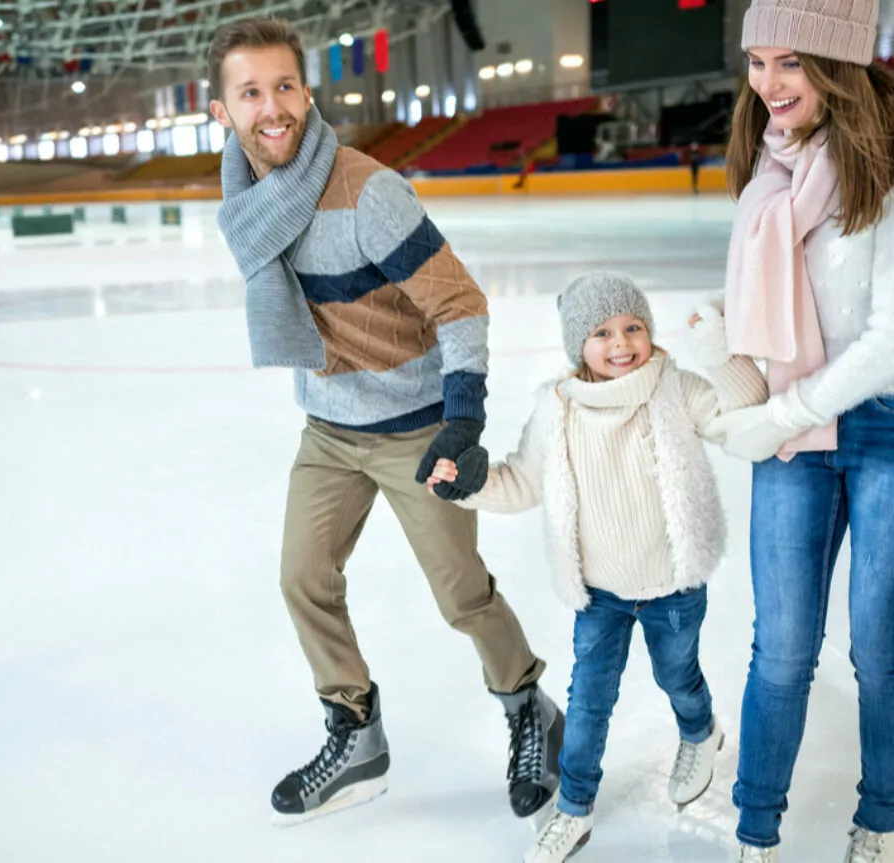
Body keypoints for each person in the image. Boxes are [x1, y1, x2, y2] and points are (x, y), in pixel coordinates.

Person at [206, 17, 563, 826]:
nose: (273, 107)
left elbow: (460, 302)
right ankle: (356, 731)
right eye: (251, 92)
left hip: (412, 425)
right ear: (222, 110)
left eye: (285, 86)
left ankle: (529, 712)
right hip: (329, 430)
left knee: (461, 595)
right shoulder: (249, 200)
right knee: (303, 576)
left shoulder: (368, 193)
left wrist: (462, 419)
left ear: (307, 91)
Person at [429, 273, 769, 863]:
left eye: (633, 326)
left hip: (672, 586)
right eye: (602, 331)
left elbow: (741, 414)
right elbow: (521, 483)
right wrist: (470, 484)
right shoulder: (557, 409)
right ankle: (574, 809)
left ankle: (700, 733)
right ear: (576, 346)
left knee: (678, 677)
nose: (621, 342)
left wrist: (721, 354)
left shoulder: (673, 388)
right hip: (601, 595)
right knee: (588, 701)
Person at [704, 0, 894, 860]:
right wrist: (722, 351)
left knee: (880, 647)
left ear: (835, 66)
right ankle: (757, 828)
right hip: (796, 434)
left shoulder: (884, 174)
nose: (768, 84)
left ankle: (882, 816)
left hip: (882, 425)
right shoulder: (765, 176)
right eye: (757, 62)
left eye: (790, 63)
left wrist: (781, 415)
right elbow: (765, 316)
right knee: (780, 648)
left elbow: (888, 340)